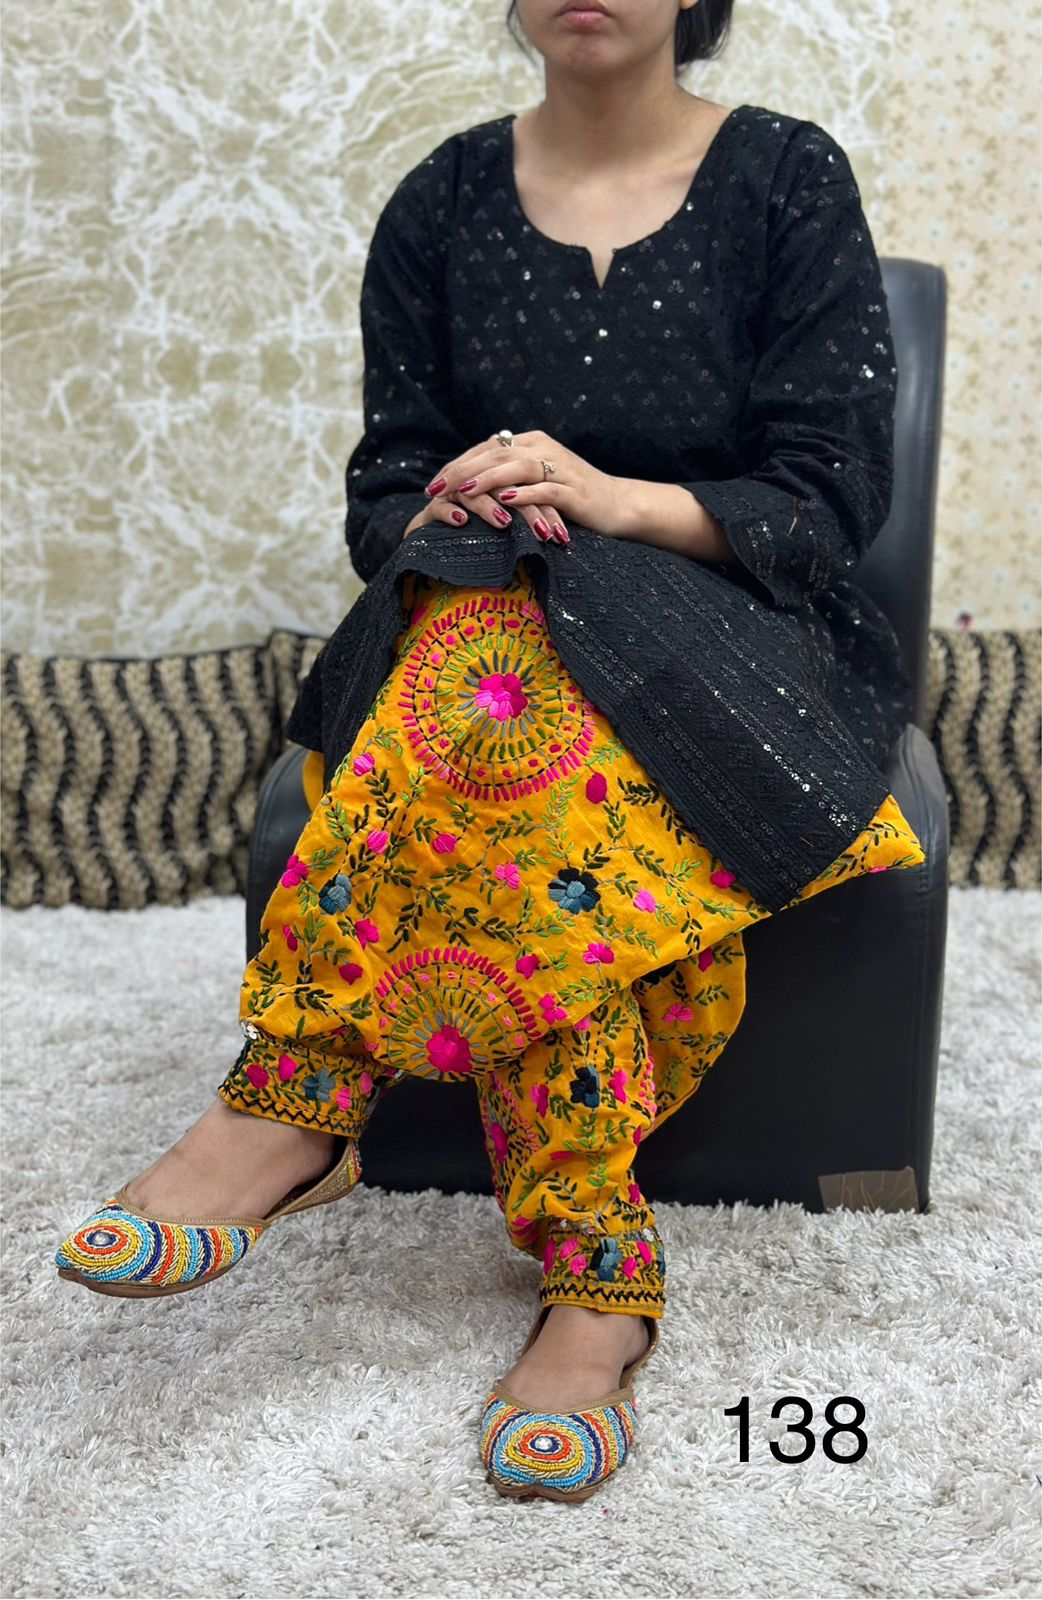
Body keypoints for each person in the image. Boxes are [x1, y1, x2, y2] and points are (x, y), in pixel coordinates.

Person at [53, 0, 927, 1504]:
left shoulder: (788, 176)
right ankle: (593, 1266)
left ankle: (294, 1097)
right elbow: (383, 491)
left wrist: (602, 500)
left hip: (738, 631)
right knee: (501, 667)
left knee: (513, 703)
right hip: (480, 616)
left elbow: (826, 497)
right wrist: (468, 506)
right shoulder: (441, 198)